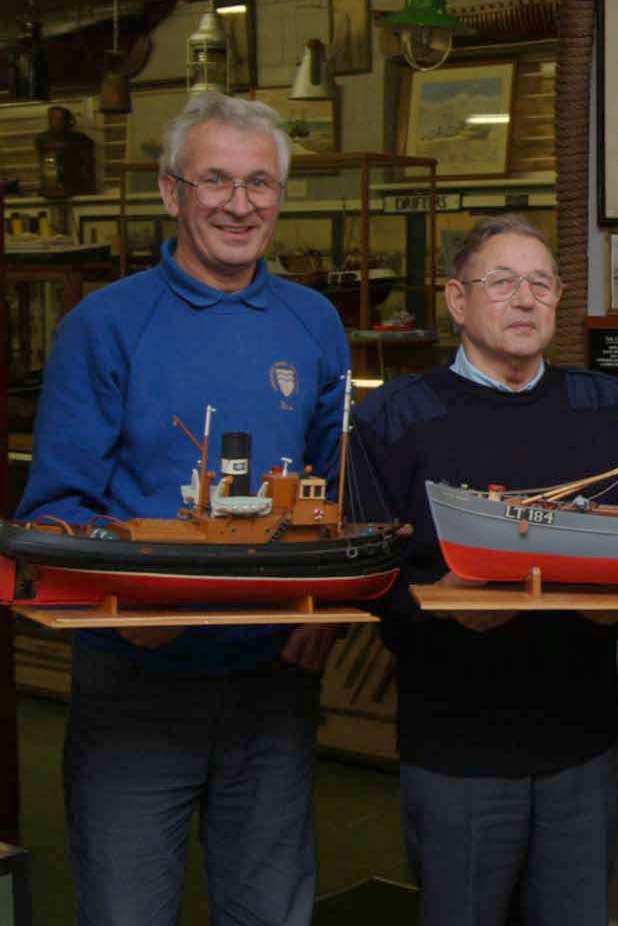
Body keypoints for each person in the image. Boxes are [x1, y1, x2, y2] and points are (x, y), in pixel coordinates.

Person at [16, 91, 348, 925]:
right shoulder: (104, 324)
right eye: (216, 181)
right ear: (172, 191)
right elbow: (56, 507)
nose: (240, 204)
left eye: (260, 183)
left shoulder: (314, 323)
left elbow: (339, 490)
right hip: (135, 683)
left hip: (272, 684)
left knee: (270, 910)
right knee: (127, 909)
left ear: (279, 195)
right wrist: (131, 613)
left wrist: (329, 613)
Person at [347, 214, 618, 926]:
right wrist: (436, 605)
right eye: (503, 281)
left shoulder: (610, 411)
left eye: (541, 283)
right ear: (458, 299)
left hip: (584, 744)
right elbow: (366, 581)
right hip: (456, 752)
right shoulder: (391, 418)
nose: (525, 299)